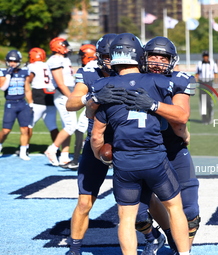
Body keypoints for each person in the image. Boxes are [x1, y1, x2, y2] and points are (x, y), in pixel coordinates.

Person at [91, 33, 190, 255]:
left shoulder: (103, 86)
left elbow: (97, 134)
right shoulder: (161, 81)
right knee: (175, 208)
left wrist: (100, 156)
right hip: (155, 159)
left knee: (126, 218)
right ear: (139, 55)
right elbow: (179, 115)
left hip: (124, 162)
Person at [127, 36, 199, 255]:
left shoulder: (180, 79)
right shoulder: (131, 78)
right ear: (143, 58)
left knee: (190, 213)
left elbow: (181, 117)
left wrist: (154, 106)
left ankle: (181, 250)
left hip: (172, 148)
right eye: (153, 56)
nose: (158, 61)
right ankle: (157, 237)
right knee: (137, 213)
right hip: (141, 150)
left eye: (163, 57)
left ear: (172, 60)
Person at [64, 33, 118, 255]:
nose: (111, 61)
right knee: (85, 202)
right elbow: (71, 103)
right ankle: (75, 248)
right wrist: (92, 97)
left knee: (141, 203)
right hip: (96, 142)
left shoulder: (134, 72)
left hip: (128, 141)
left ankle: (153, 236)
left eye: (115, 55)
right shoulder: (88, 72)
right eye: (106, 56)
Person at [62, 44, 97, 170]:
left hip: (94, 103)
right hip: (94, 102)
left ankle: (76, 160)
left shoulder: (90, 67)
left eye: (82, 55)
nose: (81, 58)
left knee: (80, 128)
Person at [44, 37, 77, 166]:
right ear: (58, 47)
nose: (67, 48)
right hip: (63, 94)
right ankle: (52, 150)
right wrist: (72, 97)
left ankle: (64, 155)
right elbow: (60, 83)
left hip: (67, 92)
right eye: (65, 46)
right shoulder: (55, 60)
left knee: (67, 126)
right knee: (70, 126)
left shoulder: (63, 59)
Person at [0, 50, 33, 160]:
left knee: (24, 129)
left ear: (19, 61)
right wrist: (9, 75)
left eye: (14, 61)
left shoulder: (24, 72)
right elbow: (3, 87)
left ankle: (23, 152)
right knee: (6, 130)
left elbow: (27, 89)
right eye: (10, 61)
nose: (12, 63)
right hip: (11, 104)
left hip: (22, 103)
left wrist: (31, 103)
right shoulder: (3, 72)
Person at [27, 47, 59, 154]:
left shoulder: (32, 66)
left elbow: (28, 80)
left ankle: (24, 147)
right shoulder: (48, 64)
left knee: (29, 124)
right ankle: (56, 149)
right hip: (51, 95)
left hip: (38, 95)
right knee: (52, 126)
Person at [195, 51, 218, 124]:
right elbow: (197, 75)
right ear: (202, 57)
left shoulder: (213, 63)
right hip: (202, 83)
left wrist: (216, 85)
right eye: (204, 56)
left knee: (209, 101)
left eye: (207, 56)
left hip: (209, 83)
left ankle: (210, 117)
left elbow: (216, 74)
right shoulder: (199, 64)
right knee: (202, 101)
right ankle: (204, 118)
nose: (205, 57)